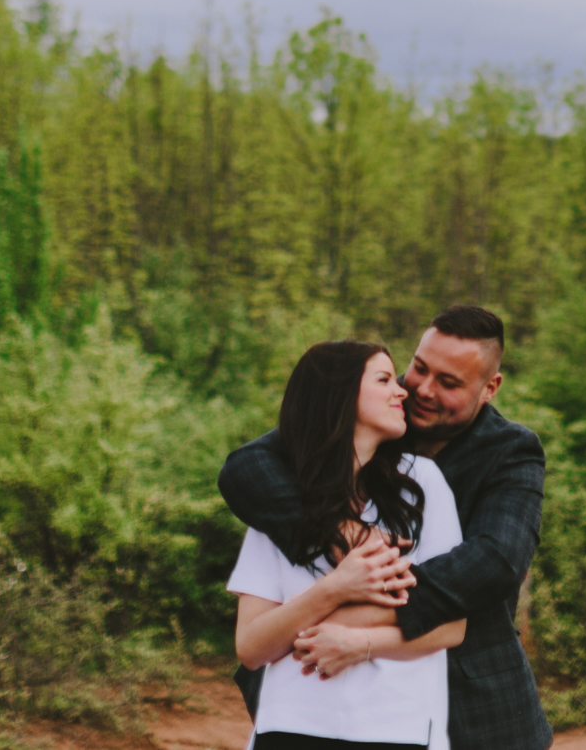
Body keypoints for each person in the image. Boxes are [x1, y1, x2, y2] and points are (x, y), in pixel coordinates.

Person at [221, 307, 554, 750]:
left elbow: (494, 562)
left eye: (449, 382)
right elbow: (246, 467)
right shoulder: (372, 418)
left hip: (474, 701)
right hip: (317, 704)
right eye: (418, 368)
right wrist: (342, 533)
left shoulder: (510, 451)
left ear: (489, 388)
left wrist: (341, 614)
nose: (421, 390)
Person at [227, 340, 468, 750]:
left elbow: (450, 625)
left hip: (395, 727)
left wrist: (361, 644)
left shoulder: (422, 485)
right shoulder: (277, 498)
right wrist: (335, 589)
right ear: (338, 395)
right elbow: (250, 648)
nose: (402, 391)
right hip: (291, 725)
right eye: (384, 379)